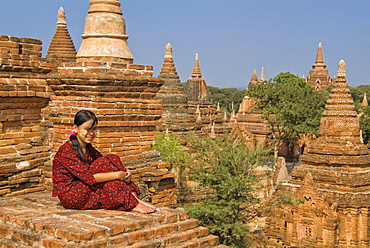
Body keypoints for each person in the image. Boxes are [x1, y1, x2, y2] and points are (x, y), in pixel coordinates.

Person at [52, 110, 156, 214]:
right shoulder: (67, 151)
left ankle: (133, 198)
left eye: (94, 130)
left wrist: (125, 171)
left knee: (112, 160)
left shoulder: (88, 148)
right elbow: (90, 178)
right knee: (111, 175)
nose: (91, 133)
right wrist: (117, 174)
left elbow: (108, 163)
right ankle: (132, 201)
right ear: (75, 128)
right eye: (87, 129)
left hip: (83, 187)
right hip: (71, 195)